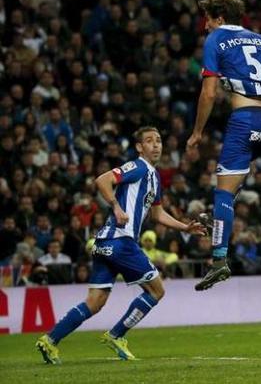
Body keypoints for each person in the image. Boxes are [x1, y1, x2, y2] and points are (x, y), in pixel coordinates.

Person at [35, 127, 207, 364]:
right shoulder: (137, 167)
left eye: (158, 140)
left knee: (94, 303)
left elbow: (157, 214)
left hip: (105, 243)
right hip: (121, 240)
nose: (156, 145)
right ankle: (116, 335)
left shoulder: (154, 177)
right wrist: (116, 206)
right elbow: (103, 180)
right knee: (157, 290)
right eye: (149, 141)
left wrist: (184, 227)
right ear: (139, 147)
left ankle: (49, 340)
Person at [187, 0, 261, 291]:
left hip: (243, 120)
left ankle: (218, 260)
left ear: (219, 18)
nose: (205, 25)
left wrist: (197, 133)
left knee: (221, 191)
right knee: (230, 188)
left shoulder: (215, 40)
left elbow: (208, 94)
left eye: (208, 19)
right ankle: (221, 214)